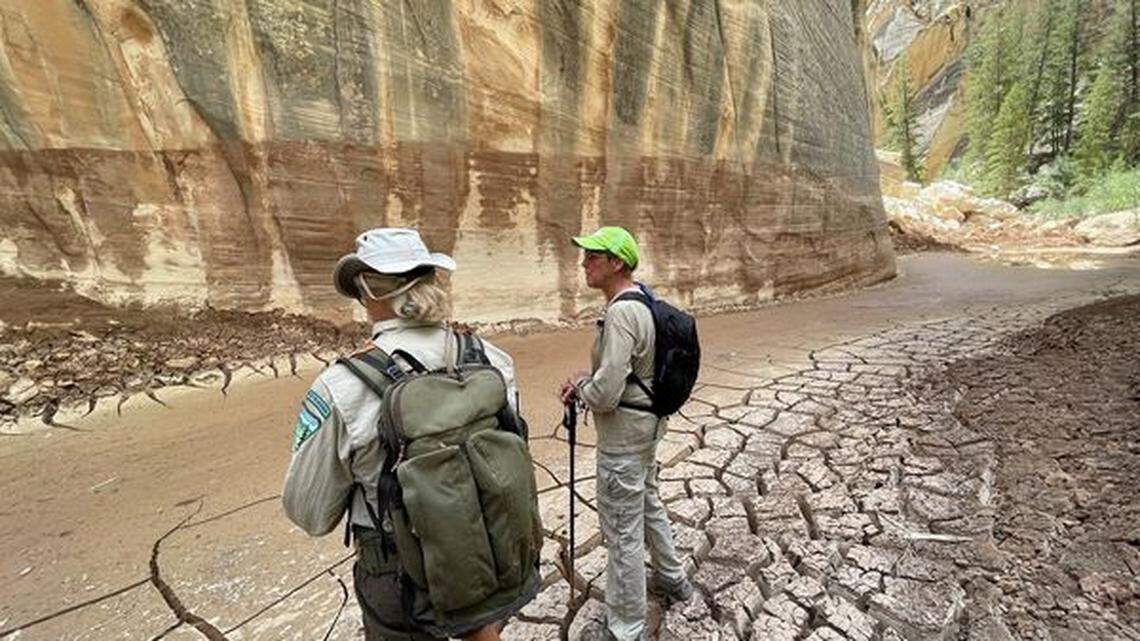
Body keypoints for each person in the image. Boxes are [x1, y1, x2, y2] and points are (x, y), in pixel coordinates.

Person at [283, 228, 524, 641]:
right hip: (491, 548)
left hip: (400, 576)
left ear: (367, 289)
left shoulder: (341, 386)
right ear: (431, 279)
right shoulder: (491, 359)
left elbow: (310, 512)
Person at [559, 226, 693, 641]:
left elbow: (606, 394)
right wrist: (593, 380)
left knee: (621, 532)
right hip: (649, 428)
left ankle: (626, 627)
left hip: (623, 438)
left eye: (593, 257)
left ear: (617, 262)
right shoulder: (645, 300)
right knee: (648, 502)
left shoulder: (620, 312)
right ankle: (673, 579)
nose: (584, 264)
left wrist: (580, 386)